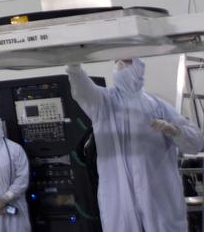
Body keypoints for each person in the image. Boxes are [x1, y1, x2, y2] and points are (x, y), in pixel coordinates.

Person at [67, 58, 204, 231]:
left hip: (158, 192)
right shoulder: (104, 101)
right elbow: (82, 91)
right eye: (120, 63)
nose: (124, 68)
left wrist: (175, 130)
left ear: (139, 66)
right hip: (119, 193)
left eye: (128, 62)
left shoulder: (158, 105)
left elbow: (196, 142)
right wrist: (74, 66)